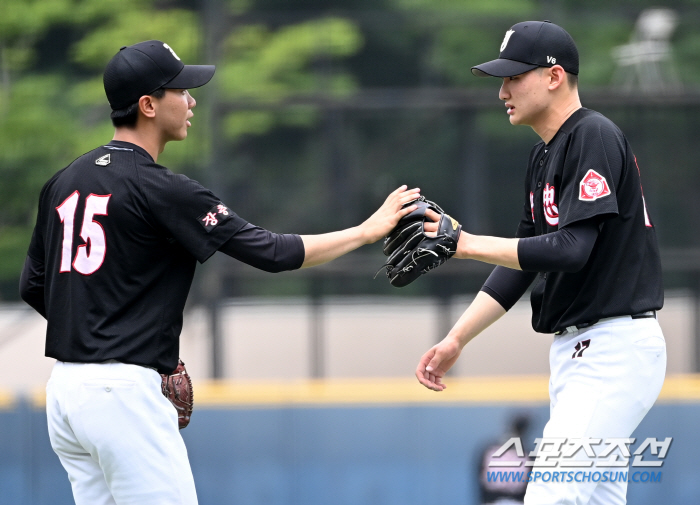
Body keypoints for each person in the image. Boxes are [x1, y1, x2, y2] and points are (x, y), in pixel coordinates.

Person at [19, 40, 420, 505]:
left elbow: (34, 285)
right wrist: (367, 231)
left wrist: (100, 334)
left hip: (66, 394)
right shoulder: (161, 187)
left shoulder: (63, 181)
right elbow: (271, 252)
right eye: (181, 90)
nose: (191, 101)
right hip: (121, 396)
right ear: (148, 105)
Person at [415, 21, 666, 505]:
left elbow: (571, 250)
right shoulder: (544, 155)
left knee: (550, 497)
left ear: (554, 76)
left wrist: (463, 243)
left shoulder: (592, 134)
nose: (503, 90)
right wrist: (456, 338)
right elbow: (523, 260)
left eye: (514, 77)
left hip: (614, 348)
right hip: (579, 355)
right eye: (501, 80)